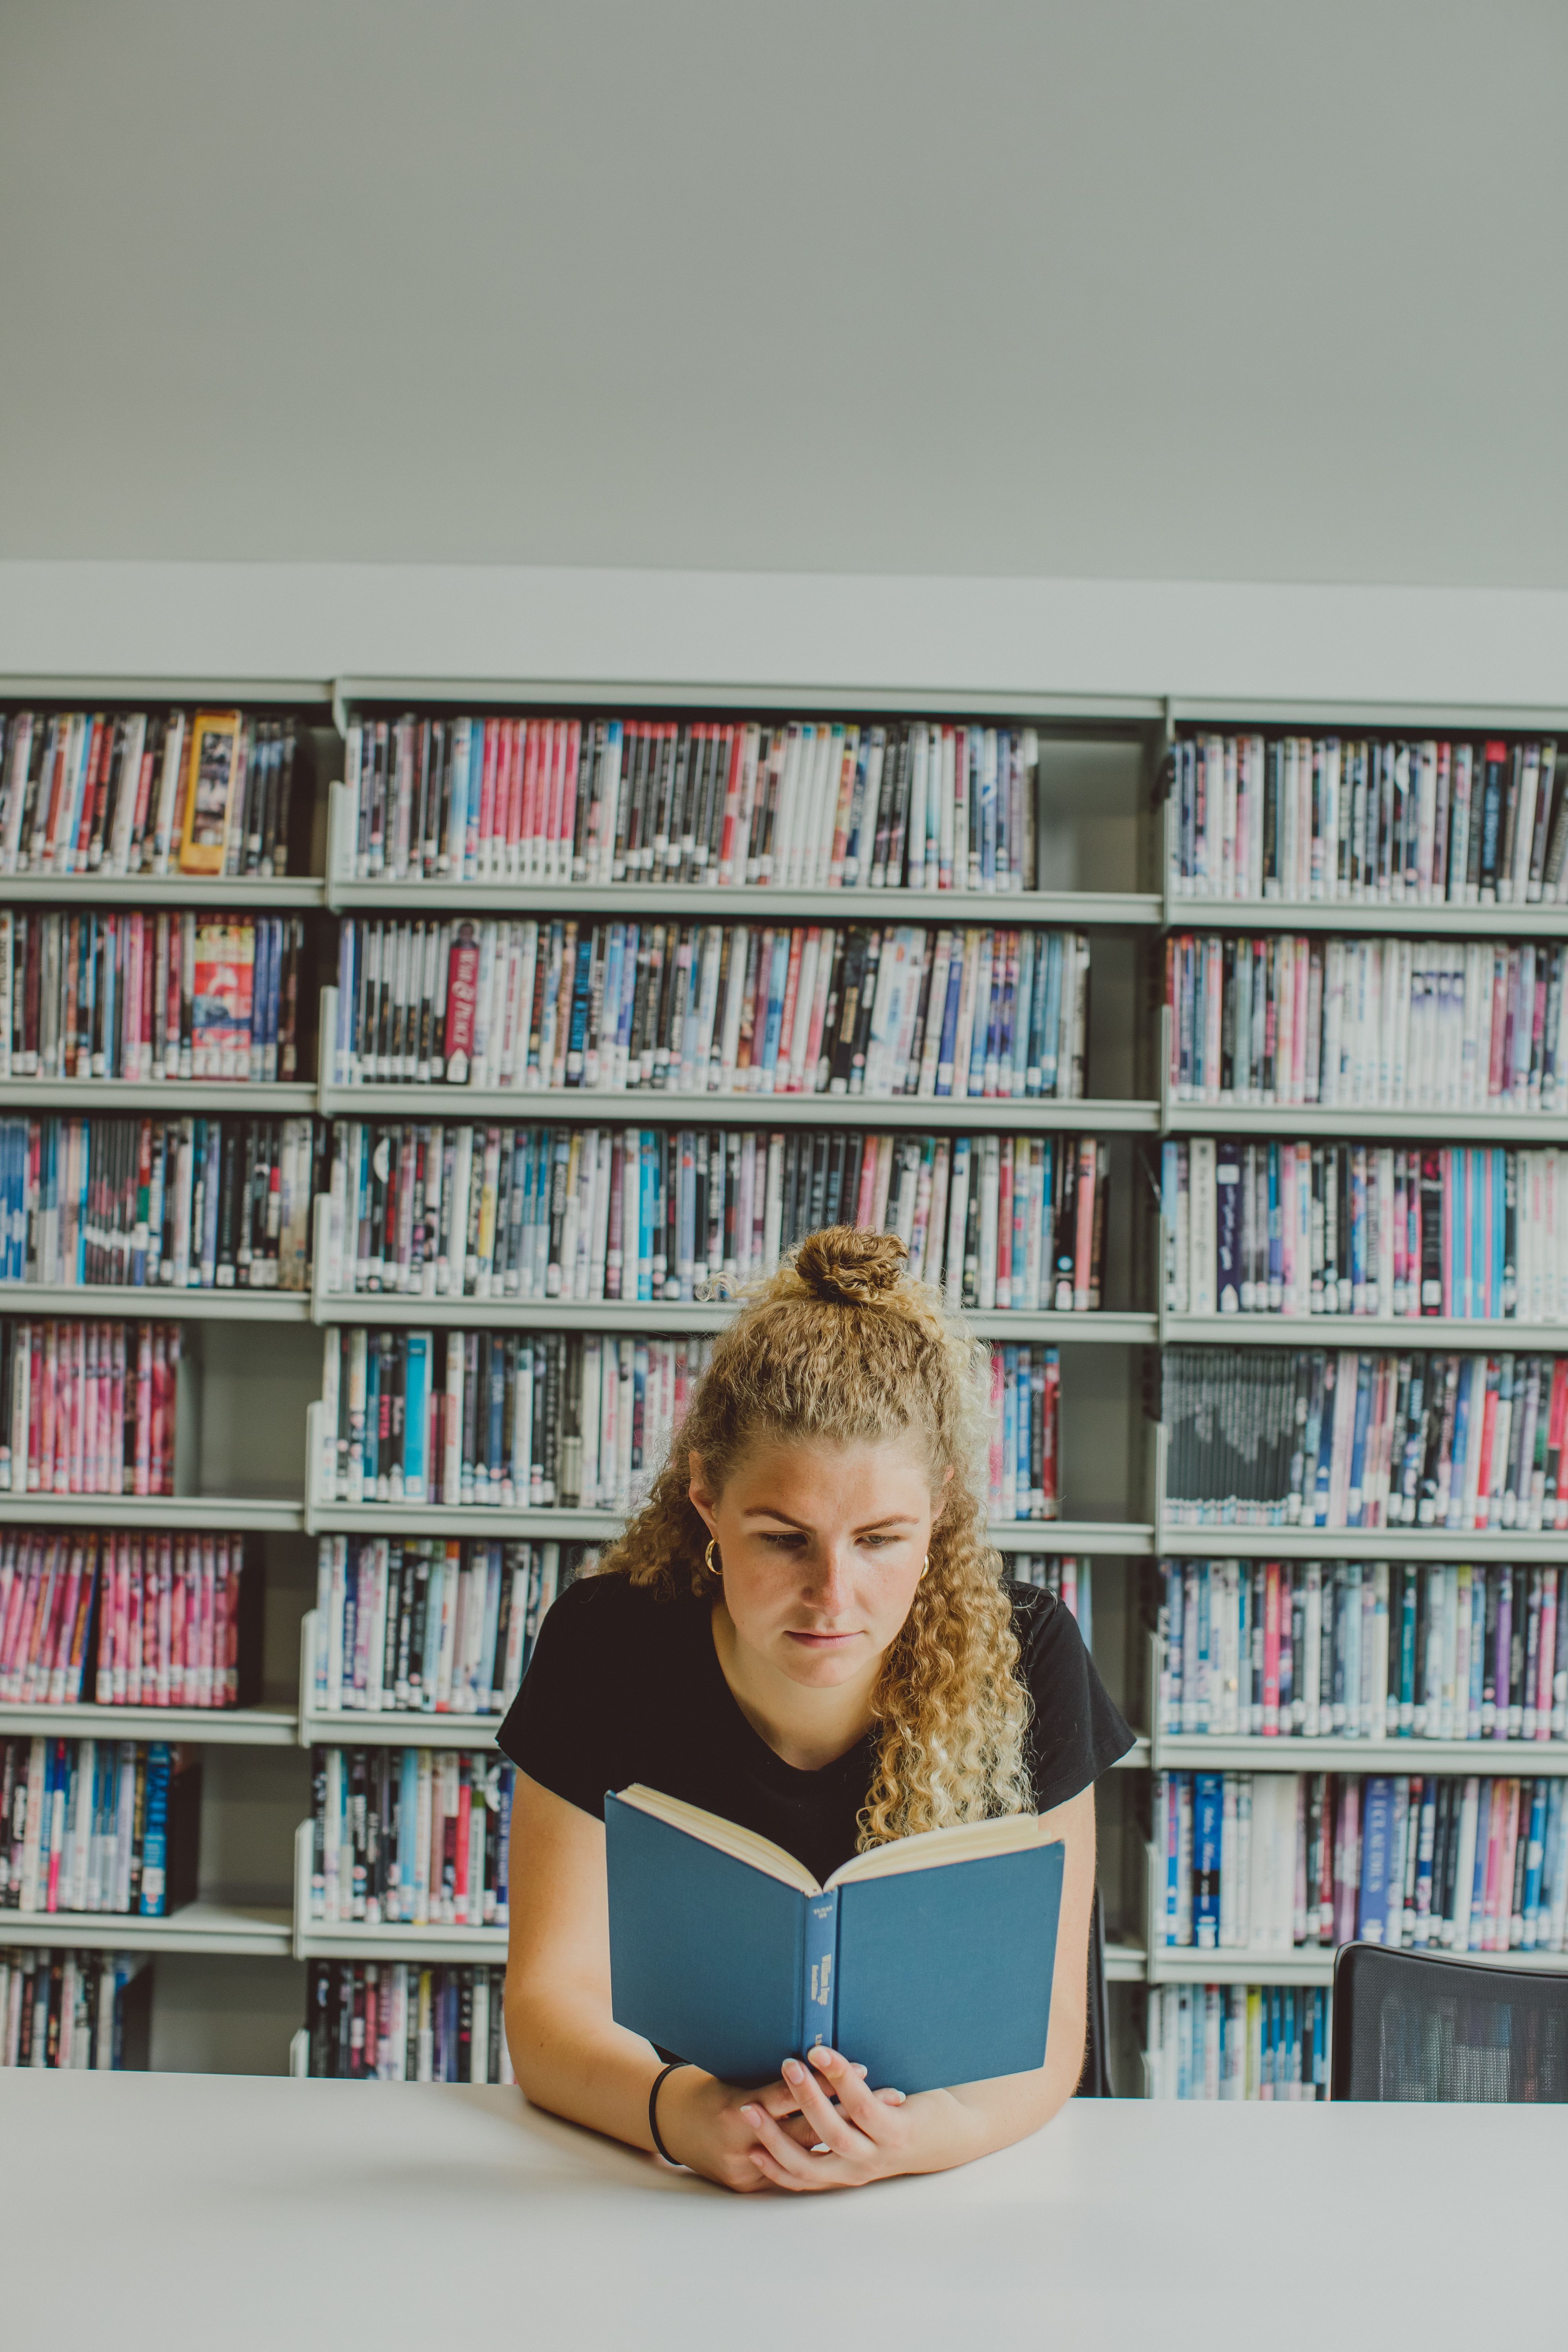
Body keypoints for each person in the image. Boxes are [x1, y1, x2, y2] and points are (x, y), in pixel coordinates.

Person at [499, 1225, 1131, 2192]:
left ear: (939, 1515)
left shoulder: (1028, 1656)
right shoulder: (605, 1643)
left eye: (880, 1539)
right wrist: (685, 2118)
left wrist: (918, 2142)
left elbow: (1048, 2034)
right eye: (783, 1538)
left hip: (961, 2191)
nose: (832, 1595)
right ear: (706, 1502)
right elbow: (547, 2008)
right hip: (671, 2195)